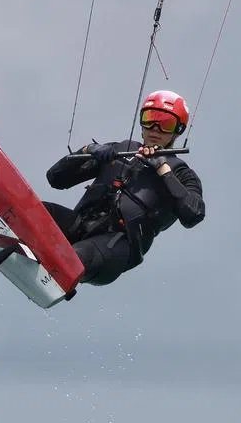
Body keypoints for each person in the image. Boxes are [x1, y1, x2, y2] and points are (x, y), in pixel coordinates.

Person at [43, 89, 205, 286]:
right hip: (80, 225)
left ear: (178, 129)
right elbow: (56, 179)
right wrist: (87, 150)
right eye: (149, 119)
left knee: (79, 256)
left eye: (165, 124)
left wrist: (163, 170)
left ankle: (60, 272)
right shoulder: (122, 149)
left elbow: (193, 215)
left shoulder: (182, 173)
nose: (155, 128)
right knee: (37, 210)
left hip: (117, 247)